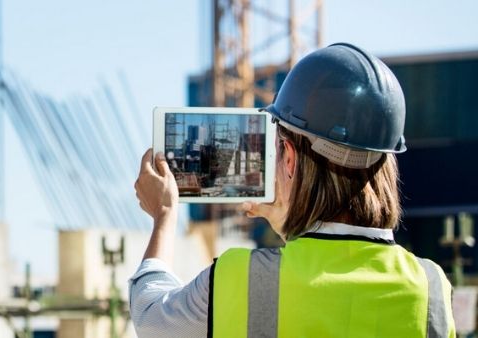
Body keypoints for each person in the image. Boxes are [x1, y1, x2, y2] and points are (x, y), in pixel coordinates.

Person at [130, 43, 454, 338]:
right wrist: (291, 225)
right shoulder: (431, 287)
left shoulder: (241, 277)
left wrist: (164, 215)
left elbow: (151, 318)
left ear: (289, 157)